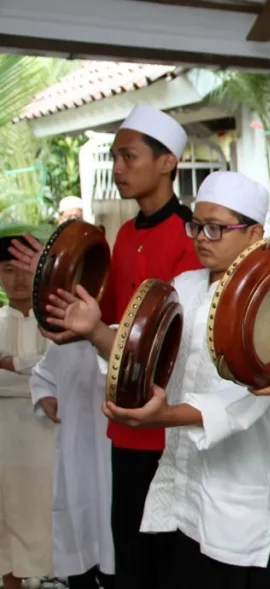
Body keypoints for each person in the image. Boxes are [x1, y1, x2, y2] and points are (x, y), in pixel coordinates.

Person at [43, 171, 270, 589]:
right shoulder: (184, 287)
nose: (202, 237)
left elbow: (247, 398)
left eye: (217, 228)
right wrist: (96, 330)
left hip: (241, 501)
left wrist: (164, 415)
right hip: (185, 487)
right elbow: (144, 349)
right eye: (197, 226)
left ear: (255, 233)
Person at [7, 104, 204, 589]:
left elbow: (168, 342)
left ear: (166, 163)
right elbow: (100, 320)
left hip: (169, 425)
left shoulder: (190, 238)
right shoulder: (123, 234)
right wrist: (48, 280)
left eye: (128, 156)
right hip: (121, 427)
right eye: (115, 156)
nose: (117, 168)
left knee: (168, 563)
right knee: (128, 557)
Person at [29, 336, 114, 589]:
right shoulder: (62, 343)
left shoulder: (121, 335)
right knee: (79, 526)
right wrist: (45, 395)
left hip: (117, 452)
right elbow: (41, 375)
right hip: (76, 453)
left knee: (117, 538)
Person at [0, 236, 54, 589]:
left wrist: (11, 364)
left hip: (48, 437)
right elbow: (46, 376)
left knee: (48, 516)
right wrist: (37, 376)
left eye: (24, 268)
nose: (19, 278)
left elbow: (60, 372)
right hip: (6, 438)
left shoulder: (54, 321)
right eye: (8, 270)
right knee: (7, 517)